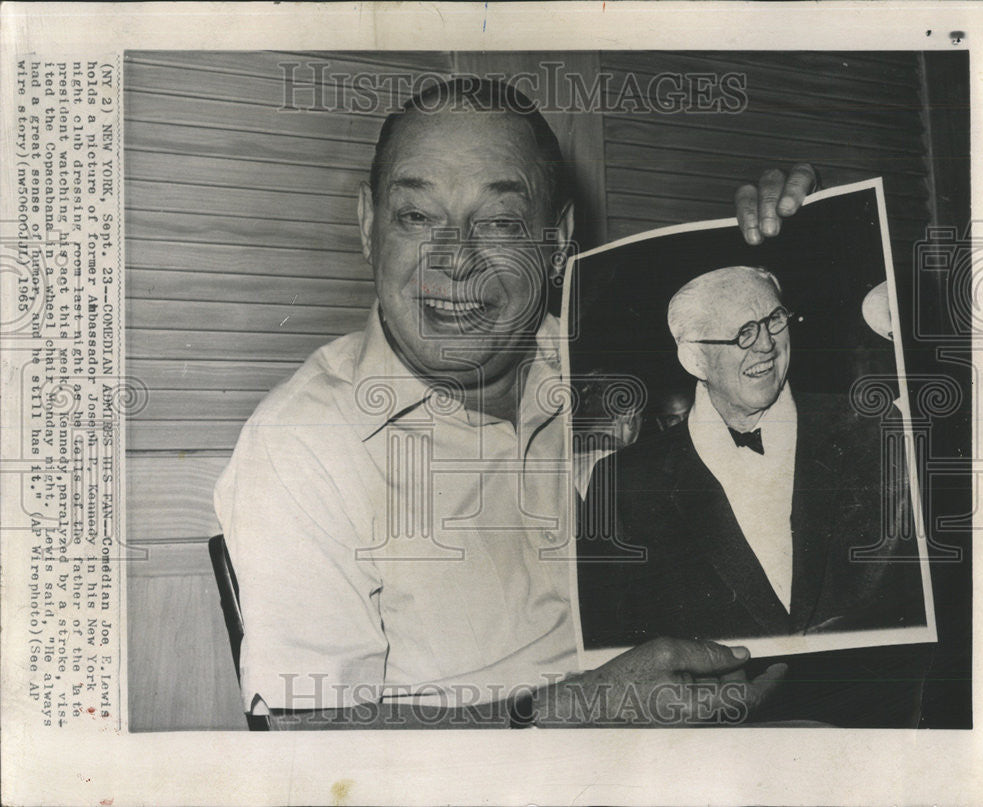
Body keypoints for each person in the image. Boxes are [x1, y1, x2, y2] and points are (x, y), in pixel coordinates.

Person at [214, 78, 817, 729]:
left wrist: (809, 241)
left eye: (499, 222)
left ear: (557, 241)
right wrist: (573, 711)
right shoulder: (303, 443)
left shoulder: (618, 358)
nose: (455, 260)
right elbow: (311, 741)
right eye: (416, 216)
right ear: (368, 226)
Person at [577, 266, 928, 726]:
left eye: (774, 320)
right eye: (742, 333)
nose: (765, 344)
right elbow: (612, 658)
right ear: (694, 359)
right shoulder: (623, 482)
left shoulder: (879, 431)